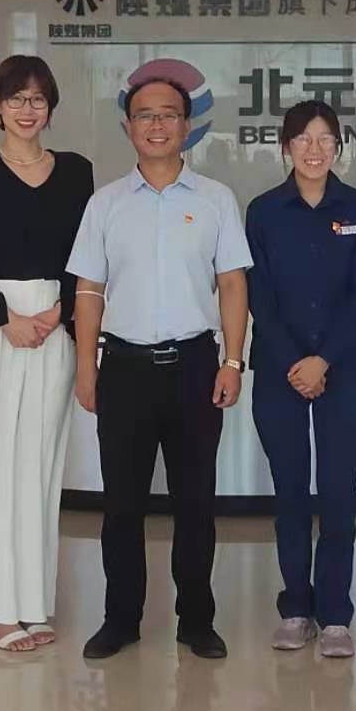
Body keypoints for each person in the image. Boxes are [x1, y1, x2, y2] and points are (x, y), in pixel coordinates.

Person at [67, 76, 252, 661]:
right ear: (128, 127)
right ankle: (120, 618)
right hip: (124, 368)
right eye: (144, 115)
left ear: (186, 126)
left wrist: (232, 360)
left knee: (195, 502)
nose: (156, 125)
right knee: (121, 503)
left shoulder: (216, 199)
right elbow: (88, 291)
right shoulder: (105, 203)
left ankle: (196, 620)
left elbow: (232, 284)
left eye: (168, 114)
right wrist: (86, 367)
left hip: (195, 366)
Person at [0, 55, 94, 653]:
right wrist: (5, 319)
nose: (27, 109)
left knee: (39, 466)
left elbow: (83, 255)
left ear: (51, 107)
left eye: (37, 99)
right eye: (16, 98)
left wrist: (60, 312)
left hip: (53, 324)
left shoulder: (76, 171)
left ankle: (31, 603)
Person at [243, 100, 356, 659]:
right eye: (303, 138)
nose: (314, 149)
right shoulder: (263, 211)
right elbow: (259, 297)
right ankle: (296, 608)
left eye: (325, 138)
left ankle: (336, 615)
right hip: (280, 371)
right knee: (292, 492)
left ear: (339, 147)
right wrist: (295, 362)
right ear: (286, 147)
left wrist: (323, 360)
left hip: (342, 369)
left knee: (340, 492)